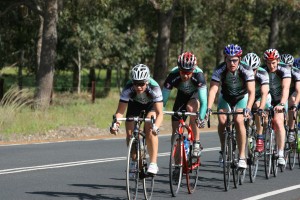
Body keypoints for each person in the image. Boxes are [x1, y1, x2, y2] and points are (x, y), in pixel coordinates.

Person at [206, 44, 255, 169]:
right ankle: (223, 150)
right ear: (225, 59)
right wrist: (209, 108)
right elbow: (213, 90)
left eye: (234, 60)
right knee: (222, 121)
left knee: (239, 120)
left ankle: (242, 156)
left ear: (239, 59)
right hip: (225, 97)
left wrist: (248, 108)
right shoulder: (219, 69)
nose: (232, 63)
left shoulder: (246, 69)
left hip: (241, 98)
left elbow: (251, 92)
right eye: (229, 60)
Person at [110, 64, 163, 175]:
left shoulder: (154, 87)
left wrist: (156, 127)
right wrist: (116, 124)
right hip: (134, 105)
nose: (138, 87)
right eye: (135, 83)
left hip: (150, 106)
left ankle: (153, 163)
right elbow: (120, 112)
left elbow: (160, 113)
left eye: (141, 84)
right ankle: (134, 161)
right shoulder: (128, 88)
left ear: (147, 82)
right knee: (130, 134)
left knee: (149, 127)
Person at [162, 52, 207, 157]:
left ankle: (196, 142)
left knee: (191, 108)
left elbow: (204, 101)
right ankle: (177, 166)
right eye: (183, 72)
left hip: (194, 95)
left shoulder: (199, 75)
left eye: (188, 72)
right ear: (179, 69)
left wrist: (201, 117)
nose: (185, 75)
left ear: (193, 70)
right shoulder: (173, 75)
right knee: (175, 132)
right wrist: (160, 111)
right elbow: (163, 100)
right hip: (181, 96)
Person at [262, 49, 291, 166]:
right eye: (268, 63)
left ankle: (280, 153)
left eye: (273, 62)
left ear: (278, 60)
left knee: (278, 122)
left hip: (281, 100)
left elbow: (286, 89)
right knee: (263, 117)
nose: (271, 65)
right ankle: (265, 137)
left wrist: (282, 104)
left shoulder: (284, 70)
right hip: (268, 98)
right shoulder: (263, 71)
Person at [241, 53, 271, 152]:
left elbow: (264, 93)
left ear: (257, 68)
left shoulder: (263, 73)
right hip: (247, 96)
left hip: (261, 97)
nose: (251, 72)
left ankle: (260, 136)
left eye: (253, 69)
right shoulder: (241, 72)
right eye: (249, 69)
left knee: (258, 107)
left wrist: (261, 109)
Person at [280, 54, 300, 143]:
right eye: (284, 66)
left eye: (289, 66)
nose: (286, 69)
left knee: (292, 102)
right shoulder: (277, 72)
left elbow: (298, 90)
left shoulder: (296, 72)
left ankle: (291, 130)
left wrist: (295, 104)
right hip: (281, 93)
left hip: (293, 92)